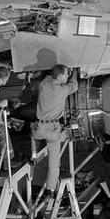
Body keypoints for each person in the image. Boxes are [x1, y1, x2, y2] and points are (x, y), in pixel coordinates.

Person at [33, 64, 79, 202]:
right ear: (59, 76)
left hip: (39, 129)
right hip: (52, 131)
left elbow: (49, 77)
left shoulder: (44, 84)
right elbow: (74, 85)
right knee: (54, 163)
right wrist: (74, 73)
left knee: (33, 134)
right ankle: (50, 189)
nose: (67, 76)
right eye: (66, 74)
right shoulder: (62, 90)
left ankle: (33, 155)